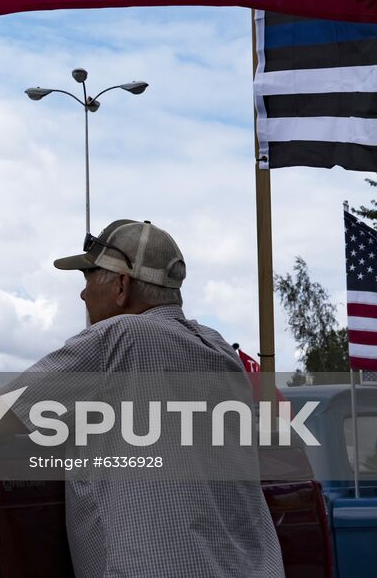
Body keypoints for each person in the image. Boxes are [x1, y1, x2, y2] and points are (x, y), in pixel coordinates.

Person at [22, 218, 284, 578]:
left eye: (88, 277)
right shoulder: (220, 348)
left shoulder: (117, 336)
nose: (82, 294)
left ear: (121, 285)